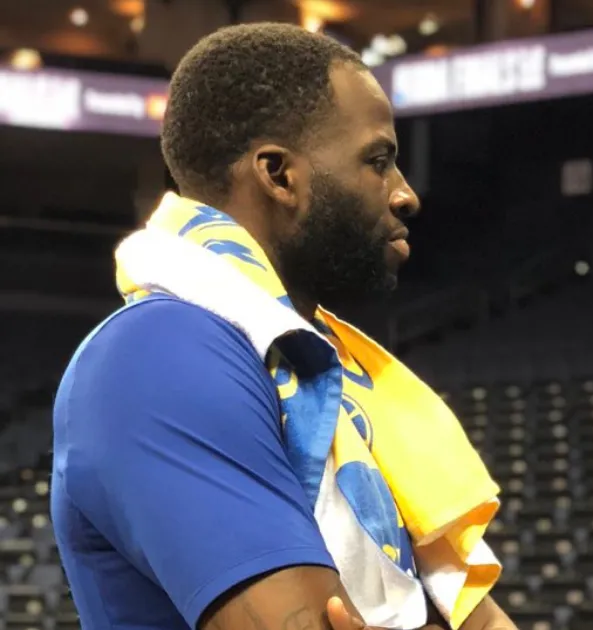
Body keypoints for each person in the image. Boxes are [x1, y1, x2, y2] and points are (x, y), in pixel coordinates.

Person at [51, 23, 515, 630]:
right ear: (278, 175)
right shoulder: (157, 355)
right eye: (378, 161)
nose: (405, 196)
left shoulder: (331, 375)